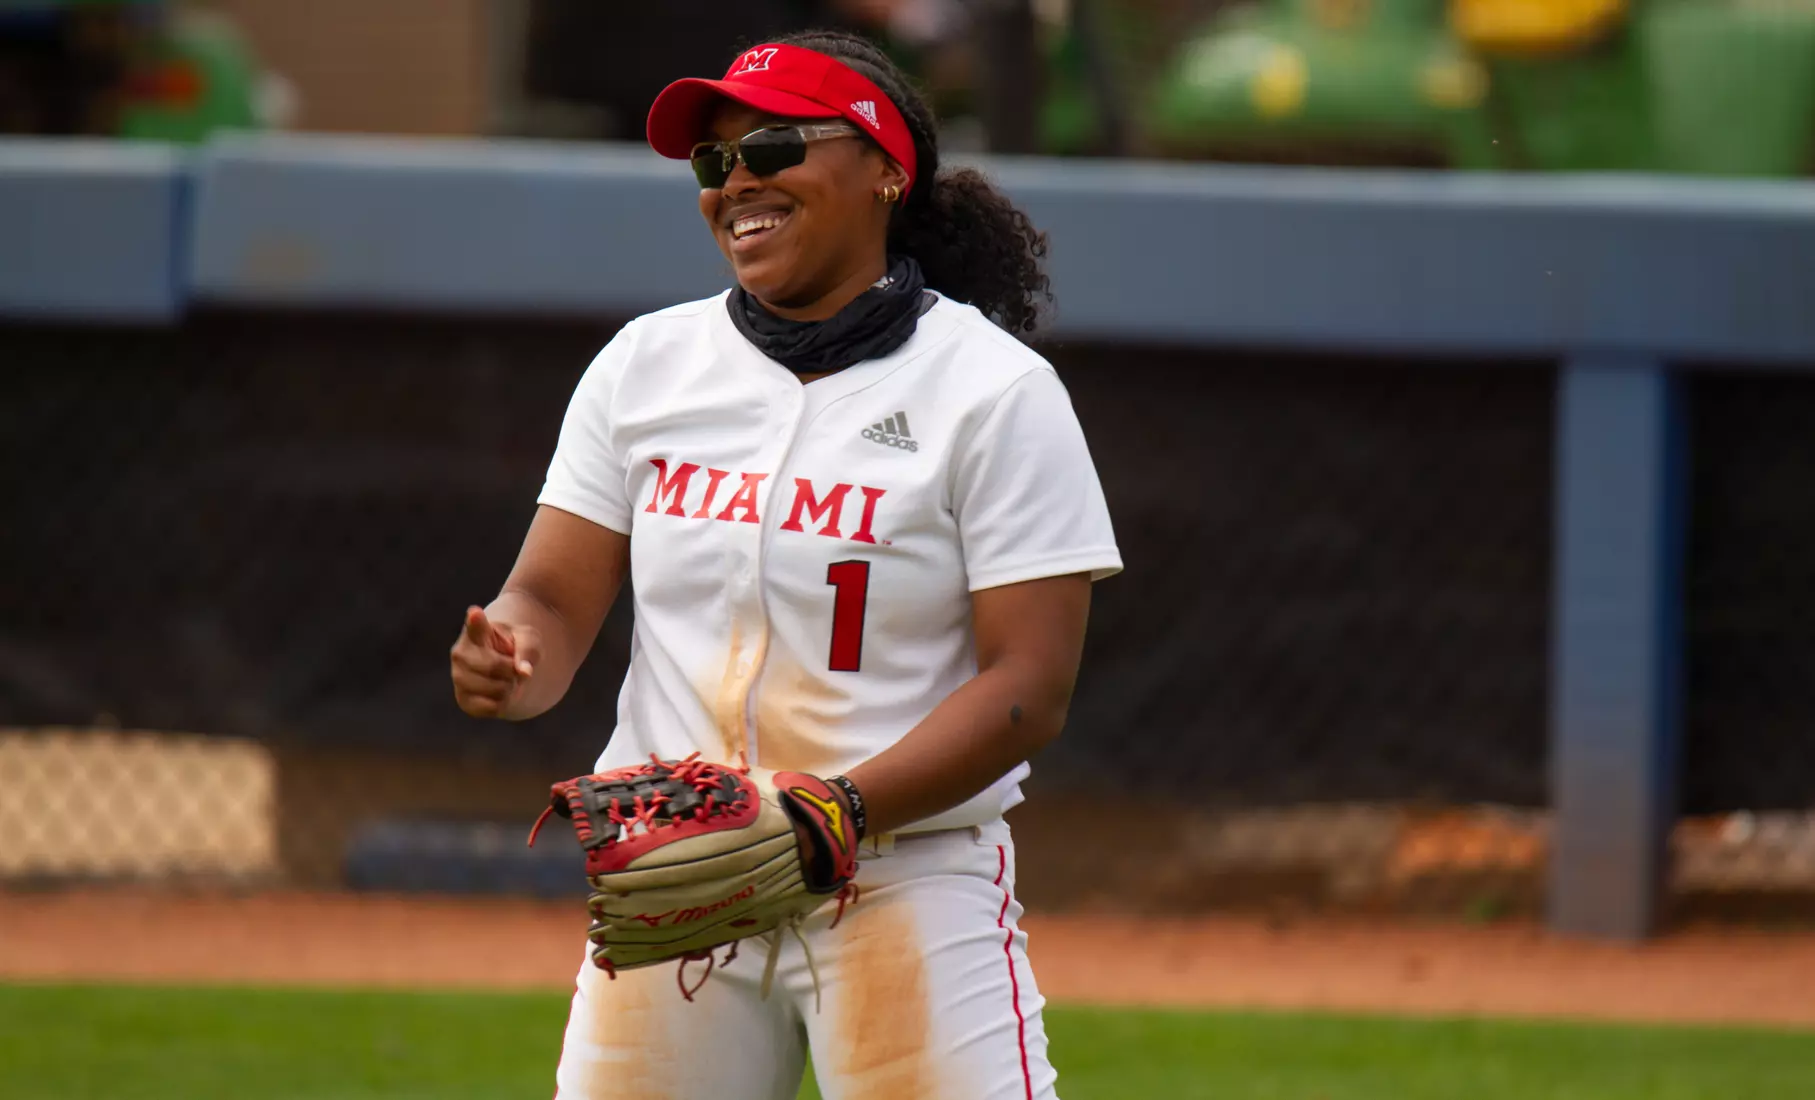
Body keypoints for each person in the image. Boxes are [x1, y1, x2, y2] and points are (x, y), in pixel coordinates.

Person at [448, 28, 1120, 1100]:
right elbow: (551, 598)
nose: (737, 180)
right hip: (682, 874)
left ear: (887, 169)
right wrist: (517, 651)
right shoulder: (647, 365)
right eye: (714, 161)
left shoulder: (995, 390)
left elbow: (1028, 688)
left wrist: (836, 807)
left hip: (904, 878)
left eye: (773, 145)